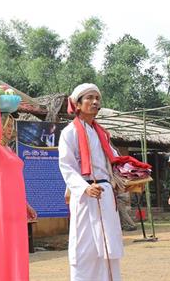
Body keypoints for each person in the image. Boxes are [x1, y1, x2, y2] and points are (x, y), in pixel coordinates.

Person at [59, 83, 123, 281]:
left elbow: (114, 161)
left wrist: (125, 177)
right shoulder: (69, 132)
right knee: (85, 249)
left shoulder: (102, 133)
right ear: (77, 105)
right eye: (89, 98)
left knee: (109, 247)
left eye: (97, 98)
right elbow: (67, 166)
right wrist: (85, 188)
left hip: (105, 194)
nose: (95, 102)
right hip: (86, 196)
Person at [0, 94, 37, 281]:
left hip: (15, 208)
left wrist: (25, 204)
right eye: (9, 125)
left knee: (16, 247)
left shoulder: (9, 150)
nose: (10, 130)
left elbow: (14, 179)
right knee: (1, 245)